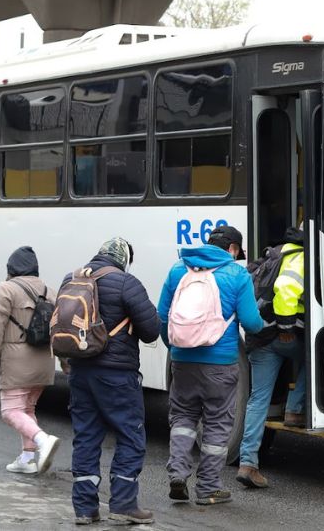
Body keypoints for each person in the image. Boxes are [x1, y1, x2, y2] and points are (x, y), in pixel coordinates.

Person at [159, 225, 264, 506]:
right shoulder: (237, 274)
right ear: (232, 249)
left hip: (182, 361)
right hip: (221, 363)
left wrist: (177, 349)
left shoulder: (178, 270)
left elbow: (162, 317)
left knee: (182, 418)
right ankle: (207, 488)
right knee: (217, 425)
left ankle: (178, 475)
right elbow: (251, 322)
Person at [63, 238, 161, 526]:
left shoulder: (72, 278)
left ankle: (84, 508)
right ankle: (123, 504)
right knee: (131, 435)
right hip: (117, 374)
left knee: (86, 437)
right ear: (124, 259)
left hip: (80, 372)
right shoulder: (126, 283)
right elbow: (151, 331)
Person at [0, 246, 60, 475]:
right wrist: (67, 363)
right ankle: (27, 457)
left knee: (10, 411)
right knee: (27, 408)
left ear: (11, 268)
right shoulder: (49, 291)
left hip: (17, 364)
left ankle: (43, 440)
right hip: (44, 364)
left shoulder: (6, 290)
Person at [236, 226, 307, 489]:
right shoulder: (299, 257)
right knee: (316, 360)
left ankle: (248, 463)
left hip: (259, 337)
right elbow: (287, 291)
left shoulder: (270, 255)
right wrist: (288, 329)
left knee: (258, 399)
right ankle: (295, 410)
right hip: (279, 336)